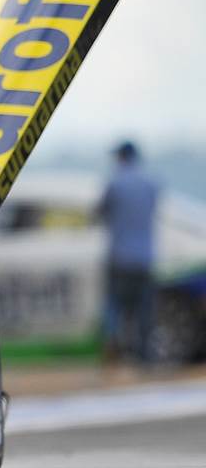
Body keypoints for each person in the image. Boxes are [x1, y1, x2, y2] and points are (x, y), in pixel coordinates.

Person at [97, 141, 161, 364]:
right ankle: (144, 355)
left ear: (121, 157)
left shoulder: (115, 183)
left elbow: (101, 212)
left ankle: (114, 349)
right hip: (145, 257)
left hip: (120, 256)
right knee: (144, 310)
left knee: (115, 306)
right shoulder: (150, 183)